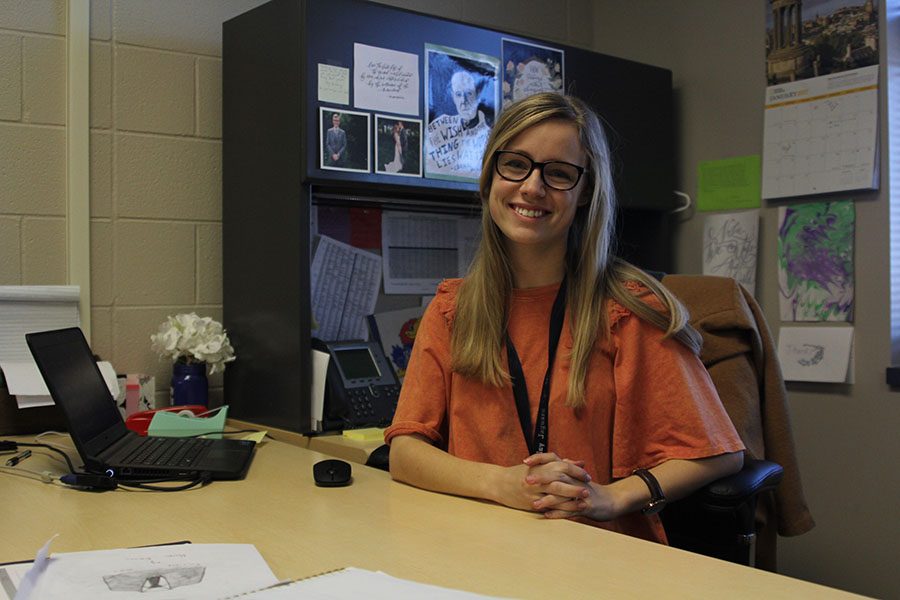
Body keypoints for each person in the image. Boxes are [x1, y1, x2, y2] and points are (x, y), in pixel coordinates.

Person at [385, 92, 745, 544]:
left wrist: (612, 497)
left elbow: (720, 454)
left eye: (558, 174)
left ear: (585, 192)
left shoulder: (627, 311)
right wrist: (503, 484)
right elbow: (404, 453)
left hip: (596, 554)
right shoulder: (453, 310)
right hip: (478, 547)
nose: (532, 188)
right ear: (489, 174)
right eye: (515, 164)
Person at [425, 70, 491, 179]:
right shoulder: (438, 128)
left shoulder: (489, 134)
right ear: (453, 97)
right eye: (458, 94)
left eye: (469, 93)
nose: (463, 101)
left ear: (477, 95)